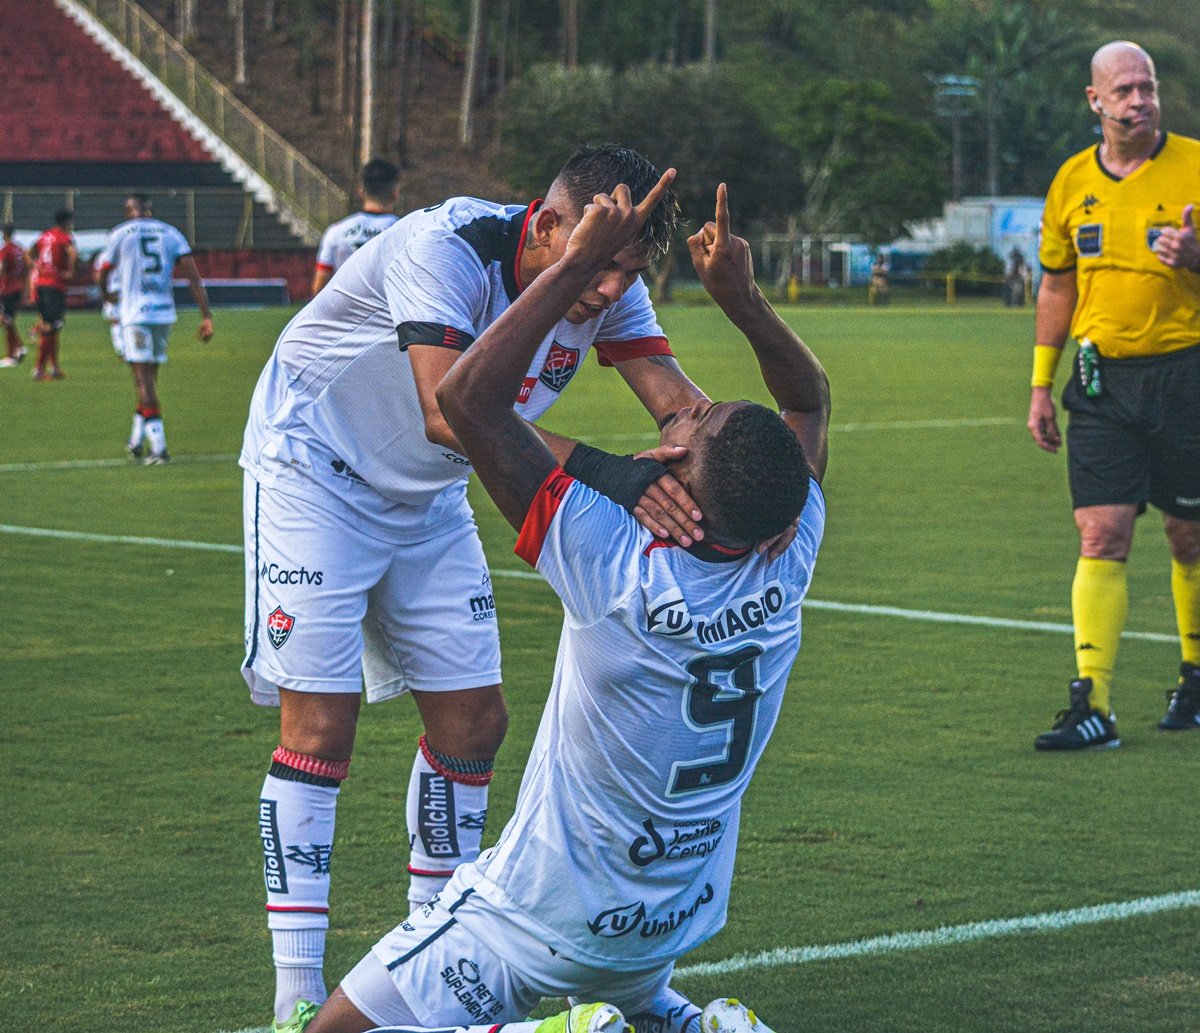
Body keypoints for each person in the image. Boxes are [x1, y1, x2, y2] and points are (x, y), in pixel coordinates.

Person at [242, 144, 756, 1033]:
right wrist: (615, 474)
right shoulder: (442, 247)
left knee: (474, 722)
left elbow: (676, 403)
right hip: (315, 471)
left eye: (627, 272)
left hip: (432, 489)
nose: (607, 291)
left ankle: (429, 950)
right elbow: (453, 411)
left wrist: (747, 482)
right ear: (549, 222)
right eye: (597, 267)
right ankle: (295, 997)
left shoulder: (609, 278)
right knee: (321, 726)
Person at [1028, 41, 1200, 750]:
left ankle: (1195, 673)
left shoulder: (1193, 163)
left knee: (1189, 533)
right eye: (1125, 90)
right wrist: (1041, 381)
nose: (1140, 100)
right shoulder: (1071, 182)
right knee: (1101, 532)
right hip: (1100, 382)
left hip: (1186, 373)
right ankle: (1091, 703)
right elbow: (1057, 282)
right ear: (1095, 101)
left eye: (1148, 87)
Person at [94, 194, 215, 464]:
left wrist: (107, 294)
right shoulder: (171, 233)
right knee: (149, 379)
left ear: (128, 211)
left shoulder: (120, 233)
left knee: (142, 380)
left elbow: (102, 271)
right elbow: (193, 276)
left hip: (136, 313)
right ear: (149, 210)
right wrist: (205, 315)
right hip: (164, 314)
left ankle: (159, 448)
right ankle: (137, 439)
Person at [311, 158, 402, 296]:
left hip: (346, 313)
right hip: (388, 313)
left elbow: (319, 288)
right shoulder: (406, 231)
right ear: (395, 192)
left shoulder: (336, 231)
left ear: (361, 191)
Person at [27, 209, 76, 380]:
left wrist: (35, 265)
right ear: (66, 222)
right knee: (50, 326)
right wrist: (70, 272)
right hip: (54, 286)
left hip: (41, 284)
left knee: (53, 326)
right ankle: (39, 370)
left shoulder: (45, 236)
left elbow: (29, 252)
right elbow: (72, 253)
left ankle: (53, 368)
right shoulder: (64, 237)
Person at [0, 223, 29, 367]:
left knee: (6, 320)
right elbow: (27, 267)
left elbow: (2, 269)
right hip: (17, 287)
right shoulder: (19, 249)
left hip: (6, 288)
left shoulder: (5, 250)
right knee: (7, 319)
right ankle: (16, 349)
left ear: (4, 234)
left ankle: (15, 351)